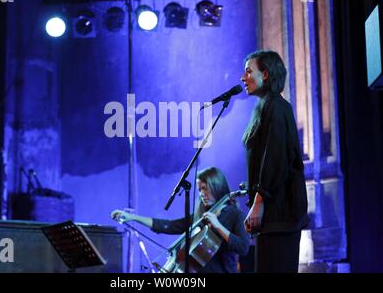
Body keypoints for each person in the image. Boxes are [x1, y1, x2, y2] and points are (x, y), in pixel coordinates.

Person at [240, 50, 310, 273]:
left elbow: (276, 158)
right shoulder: (264, 108)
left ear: (266, 74)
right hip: (271, 218)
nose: (243, 78)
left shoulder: (278, 107)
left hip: (280, 217)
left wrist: (259, 202)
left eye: (249, 71)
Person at [111, 167, 249, 273]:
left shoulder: (236, 215)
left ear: (216, 187)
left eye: (205, 189)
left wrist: (218, 225)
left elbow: (243, 248)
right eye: (199, 190)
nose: (201, 194)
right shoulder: (200, 216)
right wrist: (132, 217)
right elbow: (168, 226)